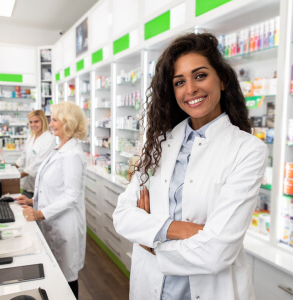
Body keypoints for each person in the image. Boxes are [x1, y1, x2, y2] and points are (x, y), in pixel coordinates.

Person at [113, 32, 267, 300]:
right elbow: (123, 215)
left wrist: (151, 240)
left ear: (222, 79)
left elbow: (216, 251)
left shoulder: (247, 150)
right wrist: (179, 230)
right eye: (179, 82)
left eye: (200, 75)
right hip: (151, 286)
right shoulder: (160, 142)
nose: (190, 89)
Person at [16, 102, 87, 299]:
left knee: (67, 279)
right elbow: (52, 188)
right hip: (53, 223)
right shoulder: (60, 149)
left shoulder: (72, 155)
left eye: (55, 119)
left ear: (68, 123)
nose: (51, 123)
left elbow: (71, 196)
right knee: (57, 275)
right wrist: (32, 202)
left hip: (64, 227)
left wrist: (39, 213)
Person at [15, 110, 55, 198]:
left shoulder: (49, 138)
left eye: (36, 121)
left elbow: (39, 163)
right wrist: (13, 168)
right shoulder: (31, 136)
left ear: (43, 121)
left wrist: (18, 176)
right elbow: (24, 156)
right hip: (27, 184)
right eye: (31, 122)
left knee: (34, 210)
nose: (33, 125)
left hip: (40, 186)